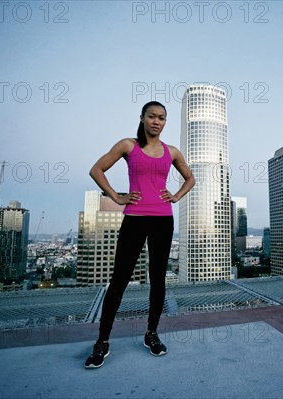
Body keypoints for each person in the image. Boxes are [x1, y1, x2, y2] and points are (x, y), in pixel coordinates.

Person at [84, 101, 195, 369]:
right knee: (120, 279)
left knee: (158, 279)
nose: (157, 121)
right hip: (134, 219)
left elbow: (190, 178)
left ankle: (151, 334)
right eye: (152, 116)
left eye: (162, 118)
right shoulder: (128, 145)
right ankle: (102, 342)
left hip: (162, 221)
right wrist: (117, 196)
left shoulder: (173, 151)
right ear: (143, 118)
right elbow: (96, 170)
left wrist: (176, 196)